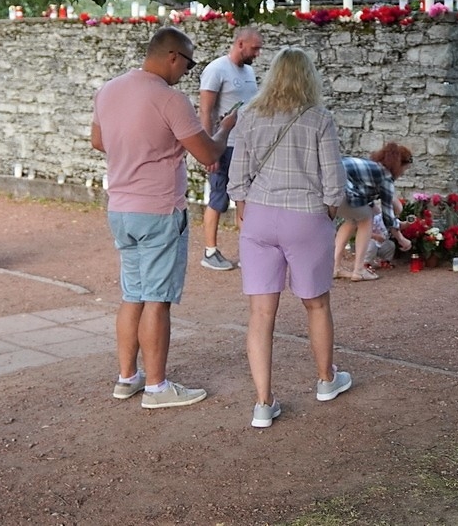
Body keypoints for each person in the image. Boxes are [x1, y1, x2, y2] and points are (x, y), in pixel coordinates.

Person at [90, 26, 236, 410]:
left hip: (120, 207)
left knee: (132, 295)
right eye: (188, 64)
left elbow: (99, 141)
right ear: (173, 56)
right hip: (158, 209)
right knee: (157, 299)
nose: (188, 72)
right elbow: (208, 153)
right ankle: (157, 388)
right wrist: (224, 128)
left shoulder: (108, 90)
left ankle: (127, 378)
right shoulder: (170, 99)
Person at [227, 47, 353, 428]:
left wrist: (245, 210)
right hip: (306, 216)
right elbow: (334, 181)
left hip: (259, 216)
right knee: (317, 304)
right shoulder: (319, 119)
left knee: (260, 313)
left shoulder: (250, 116)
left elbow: (237, 177)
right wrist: (327, 212)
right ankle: (326, 380)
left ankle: (263, 403)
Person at [198, 26, 264, 271]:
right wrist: (209, 150)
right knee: (218, 198)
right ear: (240, 44)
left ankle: (248, 252)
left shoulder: (249, 71)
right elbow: (205, 110)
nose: (257, 53)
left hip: (246, 146)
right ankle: (210, 252)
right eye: (255, 48)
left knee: (245, 198)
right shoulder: (216, 69)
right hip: (223, 146)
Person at [334, 142, 414, 281]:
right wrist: (401, 238)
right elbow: (388, 216)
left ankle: (335, 268)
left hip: (325, 190)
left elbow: (361, 194)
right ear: (399, 165)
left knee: (352, 220)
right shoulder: (386, 176)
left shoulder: (373, 166)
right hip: (338, 190)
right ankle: (359, 271)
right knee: (366, 218)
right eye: (404, 169)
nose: (402, 174)